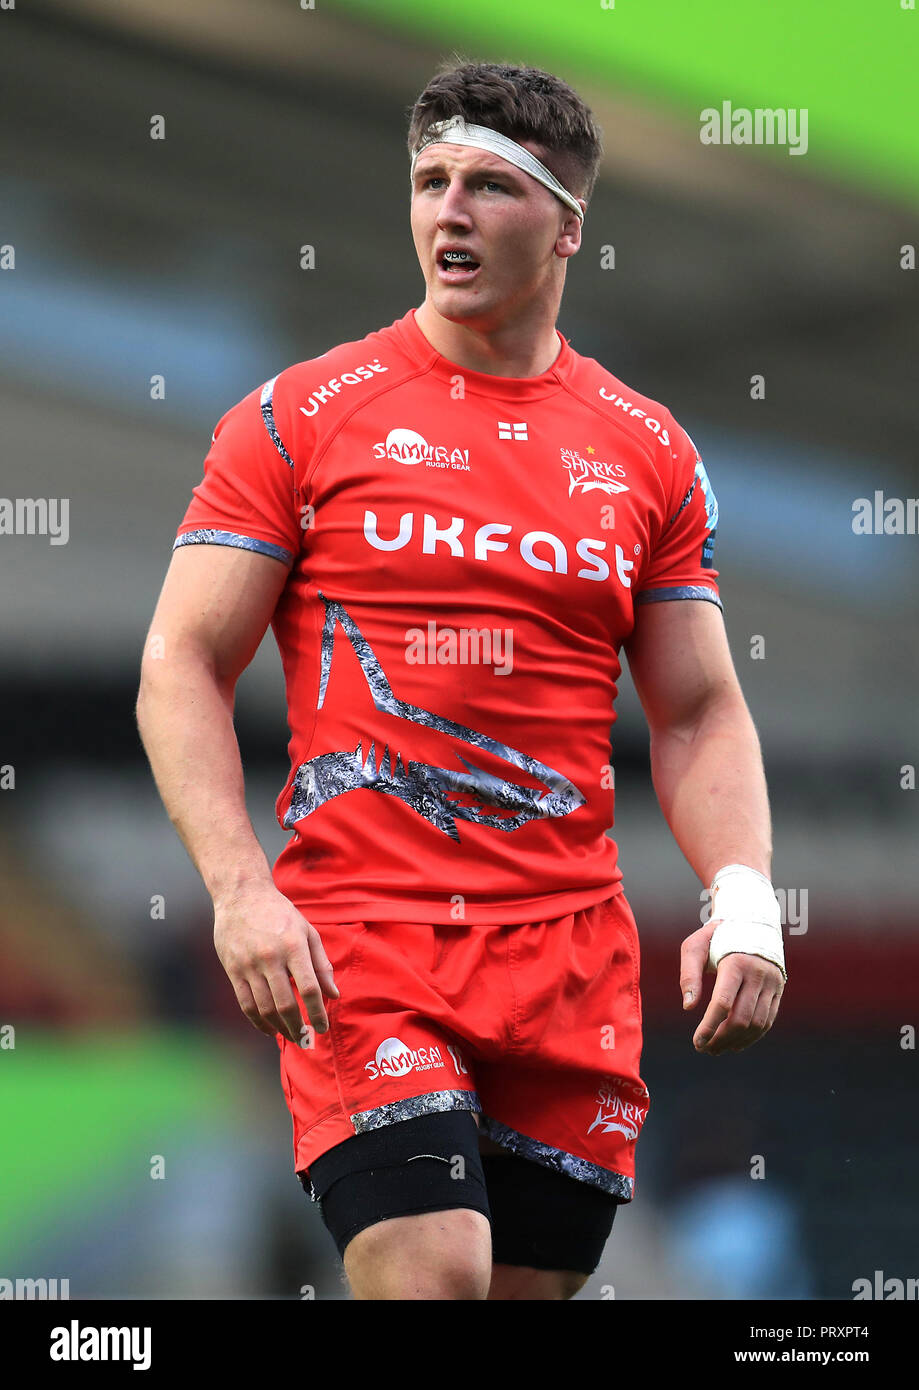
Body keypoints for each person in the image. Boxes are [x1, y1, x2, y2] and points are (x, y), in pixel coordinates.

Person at [136, 60, 786, 1301]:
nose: (449, 211)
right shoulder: (297, 417)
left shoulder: (647, 449)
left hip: (570, 961)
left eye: (490, 186)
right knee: (433, 1273)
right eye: (431, 182)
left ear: (567, 225)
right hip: (365, 943)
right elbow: (180, 662)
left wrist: (746, 898)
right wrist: (238, 892)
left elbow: (699, 707)